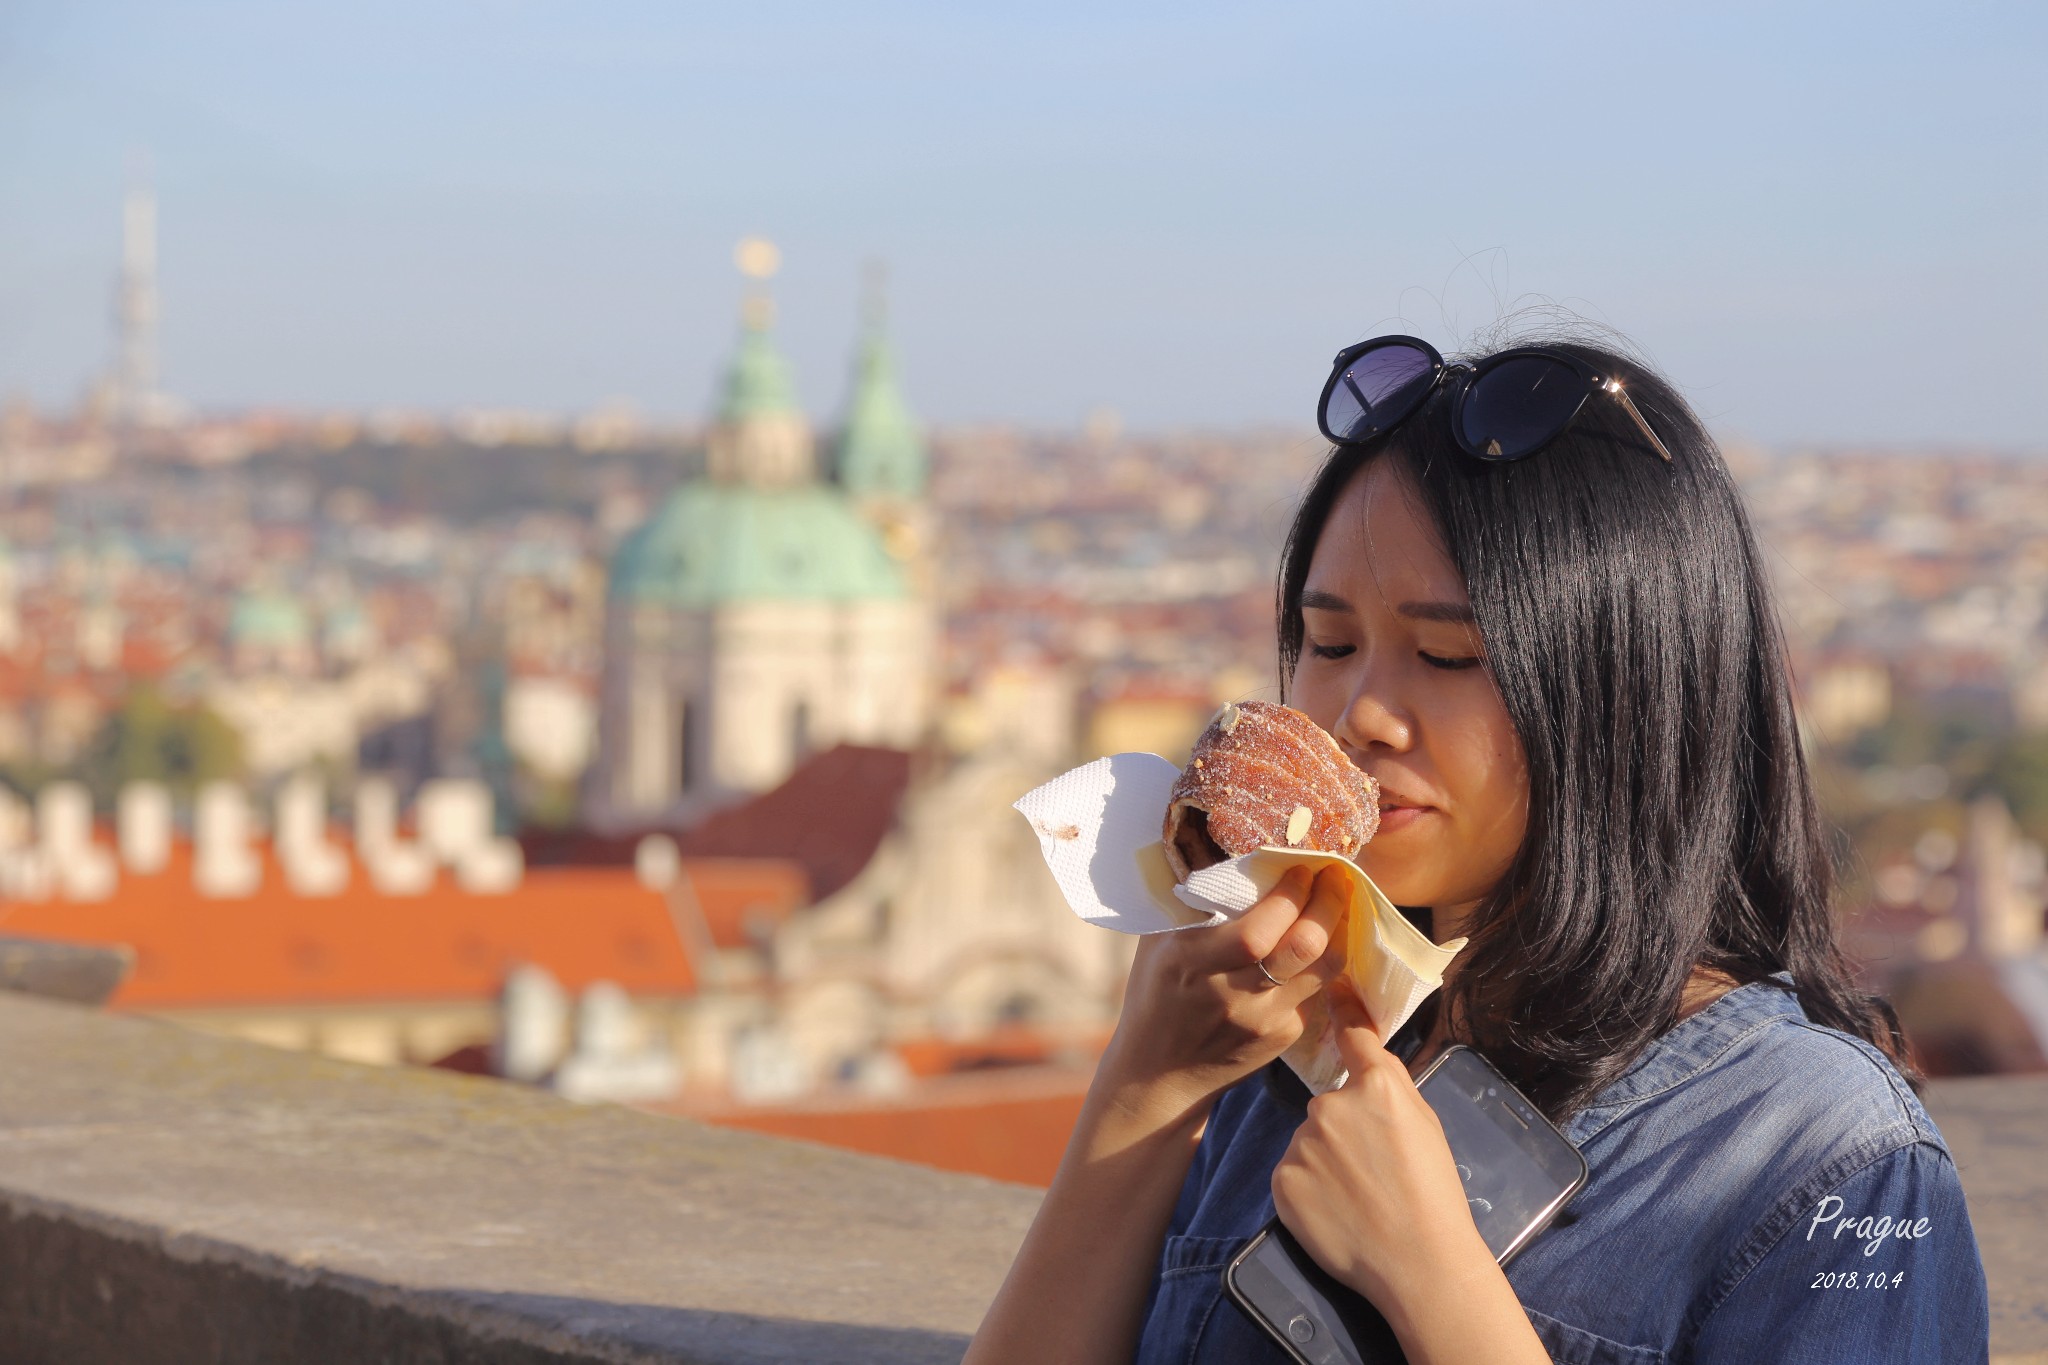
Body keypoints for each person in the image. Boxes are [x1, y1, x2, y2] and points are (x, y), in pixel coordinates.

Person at [964, 332, 1991, 1363]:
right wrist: (1144, 1089)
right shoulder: (1275, 1051)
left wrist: (1434, 1282)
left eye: (1447, 655)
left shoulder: (1826, 1161)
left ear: (1626, 700)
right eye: (1327, 645)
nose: (1361, 714)